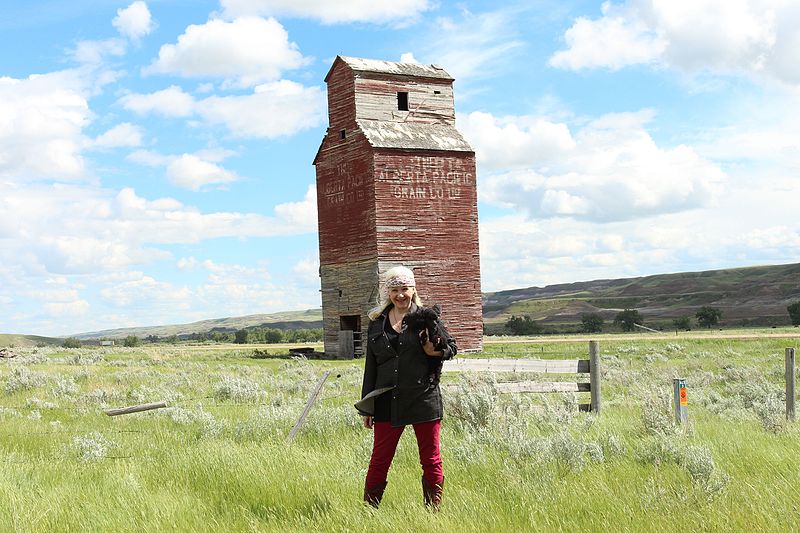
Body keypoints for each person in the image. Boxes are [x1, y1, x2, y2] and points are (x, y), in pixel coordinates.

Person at [355, 265, 457, 510]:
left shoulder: (426, 318)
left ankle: (433, 511)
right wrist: (367, 407)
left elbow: (451, 347)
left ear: (413, 289)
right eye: (395, 290)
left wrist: (435, 351)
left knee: (431, 459)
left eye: (405, 289)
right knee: (379, 460)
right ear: (388, 293)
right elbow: (372, 367)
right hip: (386, 401)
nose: (400, 295)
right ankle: (369, 511)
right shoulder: (377, 324)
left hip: (423, 398)